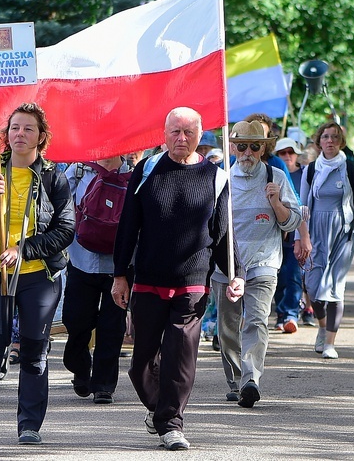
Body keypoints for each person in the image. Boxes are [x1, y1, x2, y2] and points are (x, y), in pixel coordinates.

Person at [111, 107, 244, 451]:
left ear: (201, 135)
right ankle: (159, 409)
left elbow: (223, 234)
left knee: (180, 357)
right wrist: (120, 275)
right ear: (164, 133)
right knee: (141, 363)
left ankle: (171, 423)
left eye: (188, 132)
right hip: (148, 280)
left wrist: (235, 274)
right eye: (175, 132)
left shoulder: (216, 177)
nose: (181, 138)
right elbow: (128, 227)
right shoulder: (148, 170)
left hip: (192, 281)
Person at [0, 102, 74, 449]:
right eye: (15, 128)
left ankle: (29, 424)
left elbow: (65, 229)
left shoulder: (54, 177)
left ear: (41, 137)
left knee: (35, 350)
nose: (20, 134)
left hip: (38, 279)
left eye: (28, 129)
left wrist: (25, 249)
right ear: (6, 135)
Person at [212, 120, 302, 409]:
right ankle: (236, 380)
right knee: (227, 326)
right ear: (233, 147)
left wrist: (277, 202)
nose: (248, 152)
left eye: (254, 146)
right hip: (226, 266)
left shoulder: (275, 175)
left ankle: (251, 379)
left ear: (263, 149)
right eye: (242, 146)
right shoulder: (221, 178)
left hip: (264, 261)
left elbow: (294, 220)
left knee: (256, 321)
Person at [298, 122, 354, 359]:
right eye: (325, 137)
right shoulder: (311, 170)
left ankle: (330, 343)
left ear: (341, 142)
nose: (330, 141)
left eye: (334, 137)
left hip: (344, 233)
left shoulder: (352, 169)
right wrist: (299, 238)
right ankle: (322, 327)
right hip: (316, 234)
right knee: (313, 286)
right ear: (319, 141)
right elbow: (302, 207)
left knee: (335, 286)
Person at [62, 156, 132, 405]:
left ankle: (104, 384)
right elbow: (59, 204)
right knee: (76, 320)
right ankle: (80, 368)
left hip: (121, 264)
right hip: (81, 259)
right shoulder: (78, 170)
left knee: (112, 327)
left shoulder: (134, 173)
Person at [272, 137, 312, 333]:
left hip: (298, 232)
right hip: (277, 235)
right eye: (282, 153)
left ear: (297, 154)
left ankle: (291, 314)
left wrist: (304, 236)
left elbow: (304, 205)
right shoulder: (275, 173)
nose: (287, 156)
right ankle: (280, 314)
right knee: (278, 278)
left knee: (295, 276)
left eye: (291, 152)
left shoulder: (305, 174)